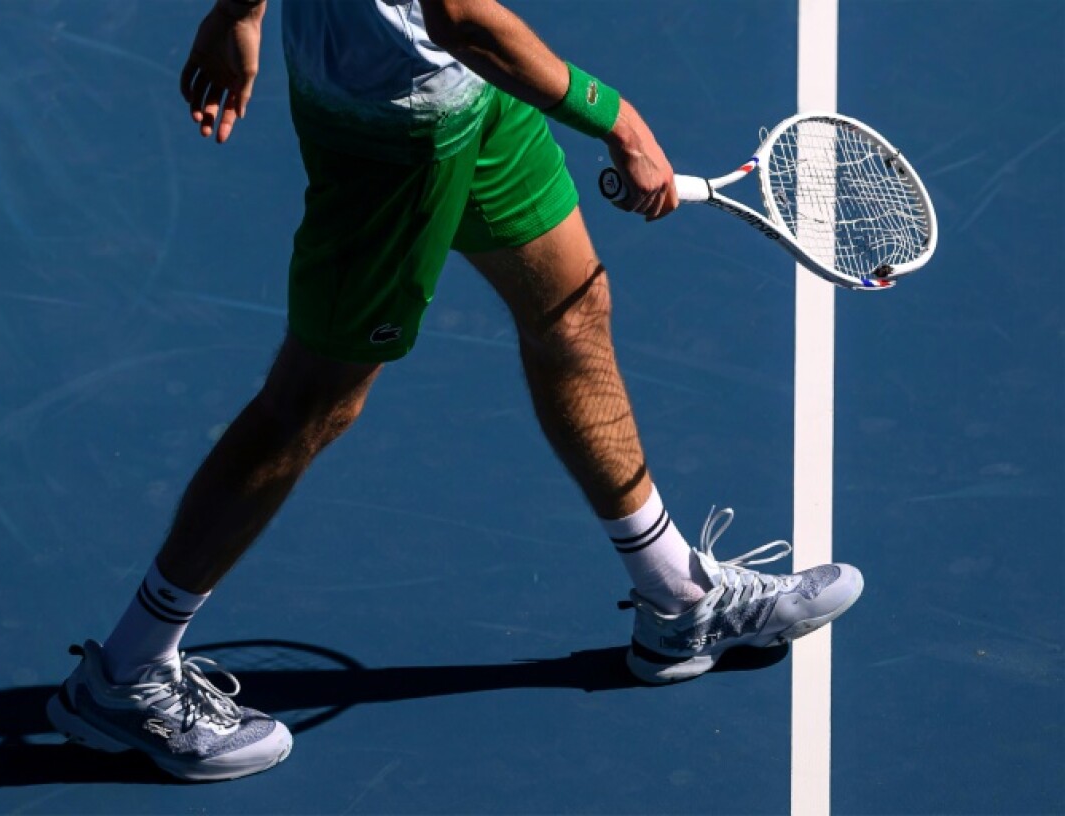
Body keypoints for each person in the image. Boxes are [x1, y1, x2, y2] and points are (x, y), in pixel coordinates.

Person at [47, 0, 863, 782]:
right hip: (391, 125)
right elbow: (463, 16)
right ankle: (127, 670)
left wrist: (240, 10)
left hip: (472, 86)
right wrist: (618, 119)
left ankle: (677, 598)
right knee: (313, 402)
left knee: (571, 311)